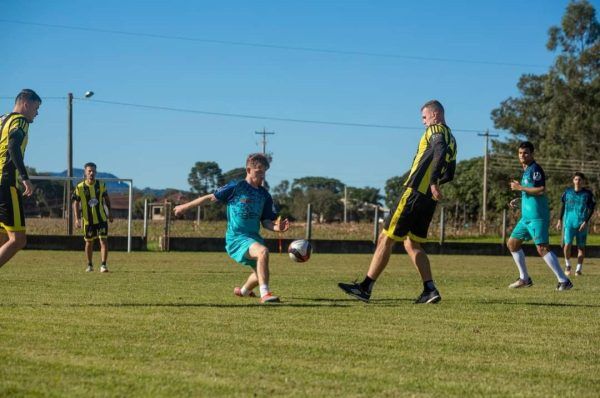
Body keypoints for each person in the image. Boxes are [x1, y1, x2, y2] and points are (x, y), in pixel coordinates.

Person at [338, 100, 457, 304]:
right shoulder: (453, 139)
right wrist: (436, 185)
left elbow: (438, 147)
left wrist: (432, 181)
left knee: (386, 237)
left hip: (413, 193)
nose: (424, 122)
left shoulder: (436, 130)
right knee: (412, 243)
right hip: (427, 200)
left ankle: (365, 288)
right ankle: (429, 289)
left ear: (435, 115)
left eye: (424, 117)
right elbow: (451, 172)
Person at [173, 153, 290, 304]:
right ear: (248, 170)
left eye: (264, 172)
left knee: (260, 273)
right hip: (237, 238)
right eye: (258, 172)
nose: (262, 176)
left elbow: (266, 221)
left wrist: (276, 227)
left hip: (253, 238)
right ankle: (265, 294)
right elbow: (210, 197)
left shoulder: (265, 195)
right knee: (263, 252)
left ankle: (243, 291)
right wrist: (184, 206)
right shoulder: (236, 187)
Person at [507, 141, 572, 290]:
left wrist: (519, 187)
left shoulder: (535, 169)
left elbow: (541, 189)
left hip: (537, 217)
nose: (522, 156)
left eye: (525, 153)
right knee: (512, 244)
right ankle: (524, 278)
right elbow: (531, 192)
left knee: (542, 248)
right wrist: (521, 199)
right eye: (520, 153)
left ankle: (564, 281)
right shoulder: (526, 171)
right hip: (526, 218)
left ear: (532, 154)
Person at [0, 89, 41, 269]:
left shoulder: (2, 119)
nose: (37, 113)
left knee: (2, 239)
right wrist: (25, 178)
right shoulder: (20, 121)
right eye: (36, 107)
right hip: (6, 185)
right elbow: (13, 146)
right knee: (18, 240)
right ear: (26, 103)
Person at [72, 162, 113, 272]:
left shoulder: (101, 185)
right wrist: (77, 219)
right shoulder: (80, 187)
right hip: (87, 221)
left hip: (101, 219)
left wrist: (110, 213)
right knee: (89, 242)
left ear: (96, 172)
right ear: (85, 173)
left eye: (93, 171)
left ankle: (103, 265)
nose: (91, 173)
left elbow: (107, 200)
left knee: (103, 240)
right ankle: (90, 265)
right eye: (89, 171)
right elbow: (75, 203)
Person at [556, 172, 595, 276]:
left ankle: (578, 269)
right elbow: (563, 206)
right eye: (576, 179)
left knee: (581, 247)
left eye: (580, 179)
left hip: (582, 225)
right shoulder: (567, 192)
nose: (578, 181)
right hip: (568, 224)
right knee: (567, 244)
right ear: (573, 181)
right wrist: (559, 220)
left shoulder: (588, 194)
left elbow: (591, 209)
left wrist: (585, 222)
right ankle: (568, 265)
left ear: (583, 181)